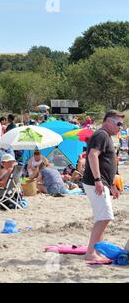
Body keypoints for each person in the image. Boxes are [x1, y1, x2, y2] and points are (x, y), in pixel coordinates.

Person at [82, 110, 124, 263]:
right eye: (118, 123)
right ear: (108, 121)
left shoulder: (105, 136)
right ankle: (91, 252)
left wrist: (111, 184)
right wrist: (98, 180)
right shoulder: (101, 135)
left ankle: (96, 250)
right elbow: (92, 155)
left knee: (102, 217)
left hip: (101, 182)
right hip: (95, 183)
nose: (121, 127)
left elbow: (106, 163)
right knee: (105, 217)